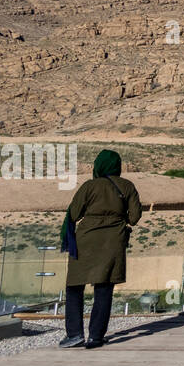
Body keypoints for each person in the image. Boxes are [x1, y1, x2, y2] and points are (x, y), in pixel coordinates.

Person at [59, 149, 142, 349]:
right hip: (113, 241)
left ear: (98, 165)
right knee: (104, 288)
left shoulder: (89, 186)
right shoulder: (127, 186)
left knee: (74, 287)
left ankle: (74, 334)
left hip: (86, 240)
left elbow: (75, 213)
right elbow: (134, 217)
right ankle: (95, 337)